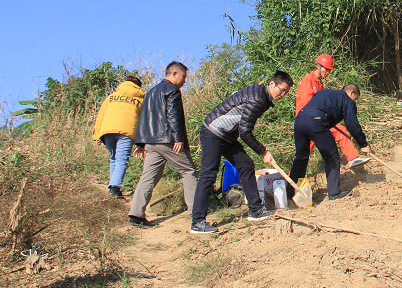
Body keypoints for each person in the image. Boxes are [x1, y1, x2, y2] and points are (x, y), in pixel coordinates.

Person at [189, 71, 295, 234]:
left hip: (227, 135)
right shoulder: (258, 99)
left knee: (246, 164)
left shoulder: (261, 95)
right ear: (272, 84)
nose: (283, 94)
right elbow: (245, 132)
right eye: (282, 90)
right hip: (213, 132)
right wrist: (263, 152)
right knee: (209, 174)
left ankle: (255, 209)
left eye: (286, 92)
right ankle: (197, 221)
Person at [129, 62, 199, 228]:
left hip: (151, 142)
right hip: (168, 140)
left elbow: (144, 118)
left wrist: (141, 143)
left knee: (148, 177)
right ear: (174, 73)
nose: (184, 81)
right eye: (183, 77)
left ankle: (136, 215)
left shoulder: (150, 92)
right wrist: (178, 138)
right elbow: (173, 115)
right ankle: (196, 211)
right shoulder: (172, 91)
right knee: (188, 171)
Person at [289, 83, 370, 201]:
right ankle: (334, 192)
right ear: (351, 92)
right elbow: (352, 124)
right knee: (332, 157)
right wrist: (363, 143)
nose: (354, 101)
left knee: (301, 157)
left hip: (300, 121)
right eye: (355, 98)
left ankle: (290, 192)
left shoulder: (324, 93)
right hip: (316, 122)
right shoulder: (346, 99)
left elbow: (319, 109)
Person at [296, 54, 370, 168]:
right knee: (304, 152)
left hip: (319, 119)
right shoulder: (308, 80)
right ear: (318, 66)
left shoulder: (320, 84)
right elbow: (306, 104)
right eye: (326, 69)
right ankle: (291, 180)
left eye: (329, 70)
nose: (328, 73)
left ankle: (353, 158)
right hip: (309, 119)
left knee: (340, 130)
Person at [92, 76, 145, 200]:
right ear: (138, 86)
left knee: (114, 158)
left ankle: (114, 187)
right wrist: (141, 143)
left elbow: (101, 115)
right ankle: (114, 188)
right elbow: (144, 121)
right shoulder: (140, 99)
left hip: (108, 131)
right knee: (122, 159)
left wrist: (97, 135)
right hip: (126, 132)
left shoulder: (111, 97)